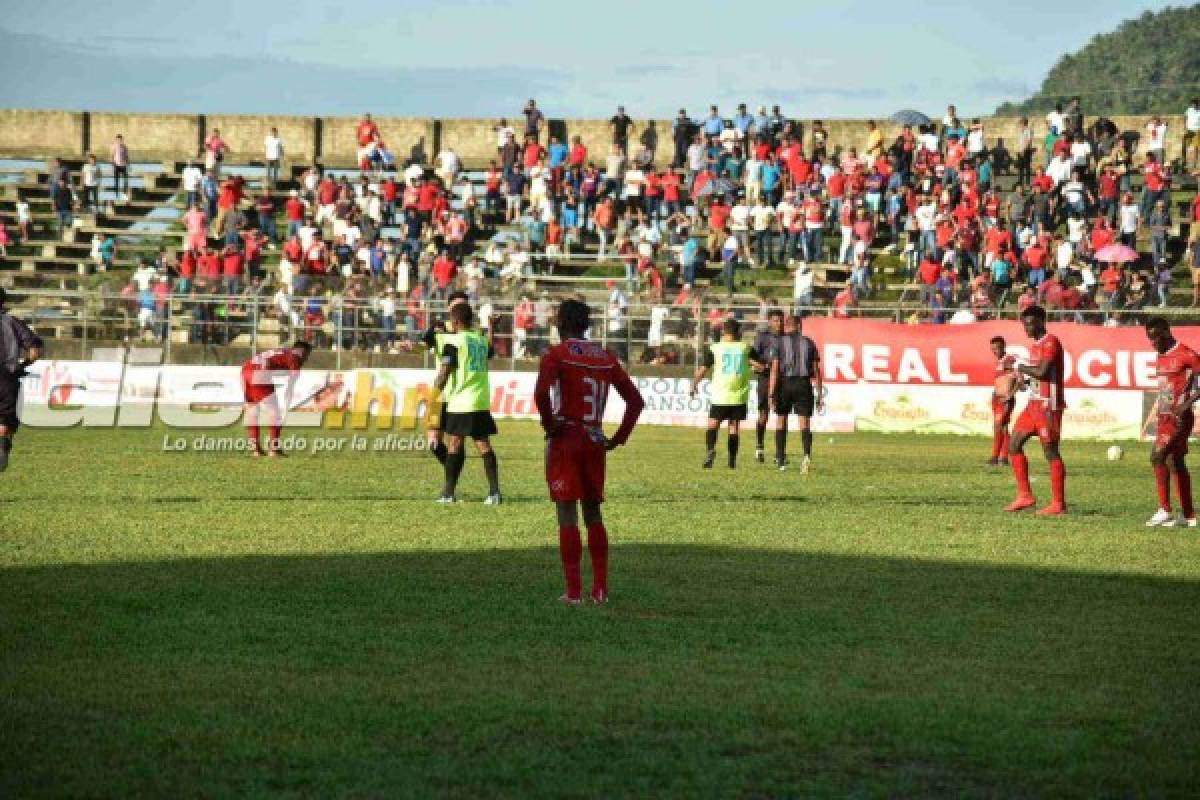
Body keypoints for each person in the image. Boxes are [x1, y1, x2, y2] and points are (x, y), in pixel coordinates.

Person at [534, 299, 645, 604]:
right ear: (586, 325)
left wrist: (550, 424)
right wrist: (619, 438)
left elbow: (541, 393)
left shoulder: (556, 355)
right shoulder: (605, 357)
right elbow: (636, 402)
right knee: (593, 513)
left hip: (567, 438)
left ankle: (573, 592)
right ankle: (600, 590)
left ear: (560, 323)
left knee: (566, 512)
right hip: (595, 439)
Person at [433, 302, 501, 504]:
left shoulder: (454, 342)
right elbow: (490, 351)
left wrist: (434, 393)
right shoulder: (479, 340)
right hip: (479, 400)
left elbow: (444, 372)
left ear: (455, 321)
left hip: (461, 400)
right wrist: (491, 328)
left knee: (454, 444)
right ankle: (494, 493)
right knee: (483, 445)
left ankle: (448, 493)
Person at [1003, 305, 1067, 515]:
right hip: (1033, 403)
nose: (1027, 328)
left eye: (1030, 324)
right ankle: (1025, 496)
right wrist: (1024, 382)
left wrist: (1018, 366)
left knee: (1050, 451)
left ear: (1041, 321)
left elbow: (1043, 371)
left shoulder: (1051, 342)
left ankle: (1058, 503)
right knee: (1014, 444)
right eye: (1024, 324)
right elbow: (1036, 376)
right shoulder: (1034, 346)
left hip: (1048, 404)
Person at [1144, 317, 1200, 527]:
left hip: (1179, 419)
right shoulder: (1161, 356)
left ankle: (1165, 510)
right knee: (1174, 462)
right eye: (1150, 339)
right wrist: (1160, 410)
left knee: (1157, 456)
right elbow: (1167, 389)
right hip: (1165, 417)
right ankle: (1188, 516)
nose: (1153, 343)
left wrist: (1186, 405)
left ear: (1167, 333)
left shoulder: (1187, 355)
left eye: (1156, 338)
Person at [690, 318, 763, 469]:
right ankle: (731, 460)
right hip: (738, 394)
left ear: (724, 331)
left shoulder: (715, 348)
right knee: (734, 427)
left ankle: (710, 450)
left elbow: (703, 370)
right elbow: (761, 366)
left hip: (720, 394)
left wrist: (693, 385)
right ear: (738, 332)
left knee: (713, 424)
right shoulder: (745, 348)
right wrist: (750, 363)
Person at [767, 313, 823, 472]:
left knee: (781, 419)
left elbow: (775, 370)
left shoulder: (779, 342)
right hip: (803, 384)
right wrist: (819, 394)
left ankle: (780, 459)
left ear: (786, 325)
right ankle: (806, 456)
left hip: (784, 383)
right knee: (804, 422)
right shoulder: (809, 343)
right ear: (799, 326)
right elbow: (816, 371)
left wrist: (771, 393)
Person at [241, 341, 312, 458]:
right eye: (307, 355)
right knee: (275, 414)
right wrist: (286, 407)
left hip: (245, 370)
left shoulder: (284, 352)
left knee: (253, 411)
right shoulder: (295, 358)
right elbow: (290, 387)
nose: (307, 359)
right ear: (302, 352)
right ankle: (273, 450)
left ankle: (255, 450)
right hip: (260, 373)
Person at [0, 287, 44, 473]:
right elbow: (35, 351)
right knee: (5, 421)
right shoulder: (12, 322)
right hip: (7, 378)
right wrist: (23, 365)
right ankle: (3, 443)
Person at [752, 309, 784, 462]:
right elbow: (751, 359)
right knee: (764, 414)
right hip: (765, 379)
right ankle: (759, 446)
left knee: (782, 415)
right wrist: (763, 367)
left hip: (782, 380)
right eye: (776, 320)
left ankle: (779, 453)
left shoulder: (787, 338)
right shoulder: (762, 338)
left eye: (781, 320)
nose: (779, 323)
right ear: (770, 322)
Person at [989, 336, 1017, 467]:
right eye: (993, 349)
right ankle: (1004, 458)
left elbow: (1019, 379)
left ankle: (995, 457)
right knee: (1003, 428)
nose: (995, 351)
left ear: (1004, 346)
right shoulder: (999, 362)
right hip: (997, 398)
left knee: (998, 426)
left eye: (997, 348)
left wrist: (1010, 395)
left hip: (1005, 400)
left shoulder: (1009, 360)